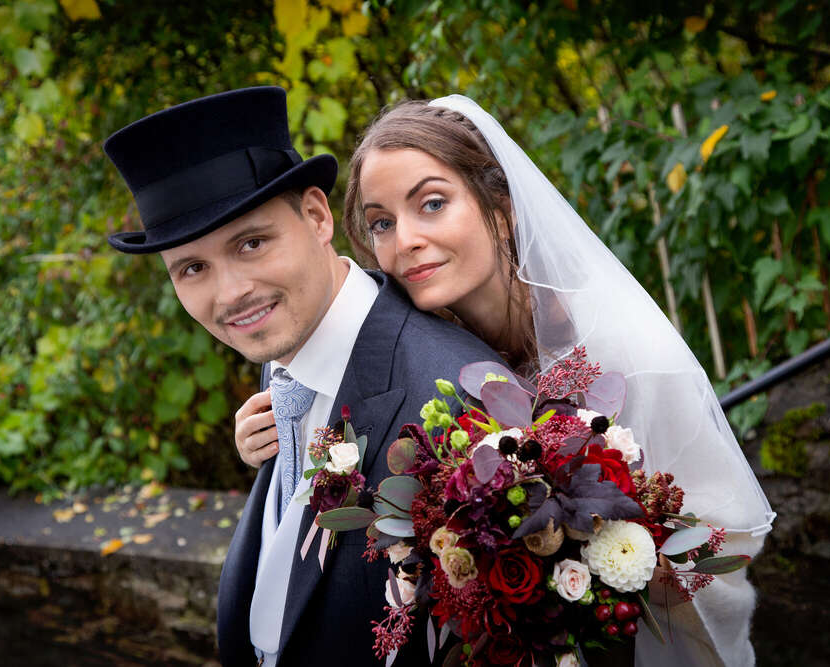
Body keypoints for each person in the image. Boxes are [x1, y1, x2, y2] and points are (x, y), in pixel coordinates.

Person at [237, 95, 775, 666]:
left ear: (502, 206)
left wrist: (599, 563)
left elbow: (727, 531)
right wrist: (281, 432)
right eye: (382, 223)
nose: (405, 240)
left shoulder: (627, 352)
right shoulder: (423, 343)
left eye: (433, 204)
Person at [102, 87, 503, 667]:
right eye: (192, 268)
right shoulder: (287, 357)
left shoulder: (458, 402)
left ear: (317, 217)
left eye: (252, 243)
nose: (230, 294)